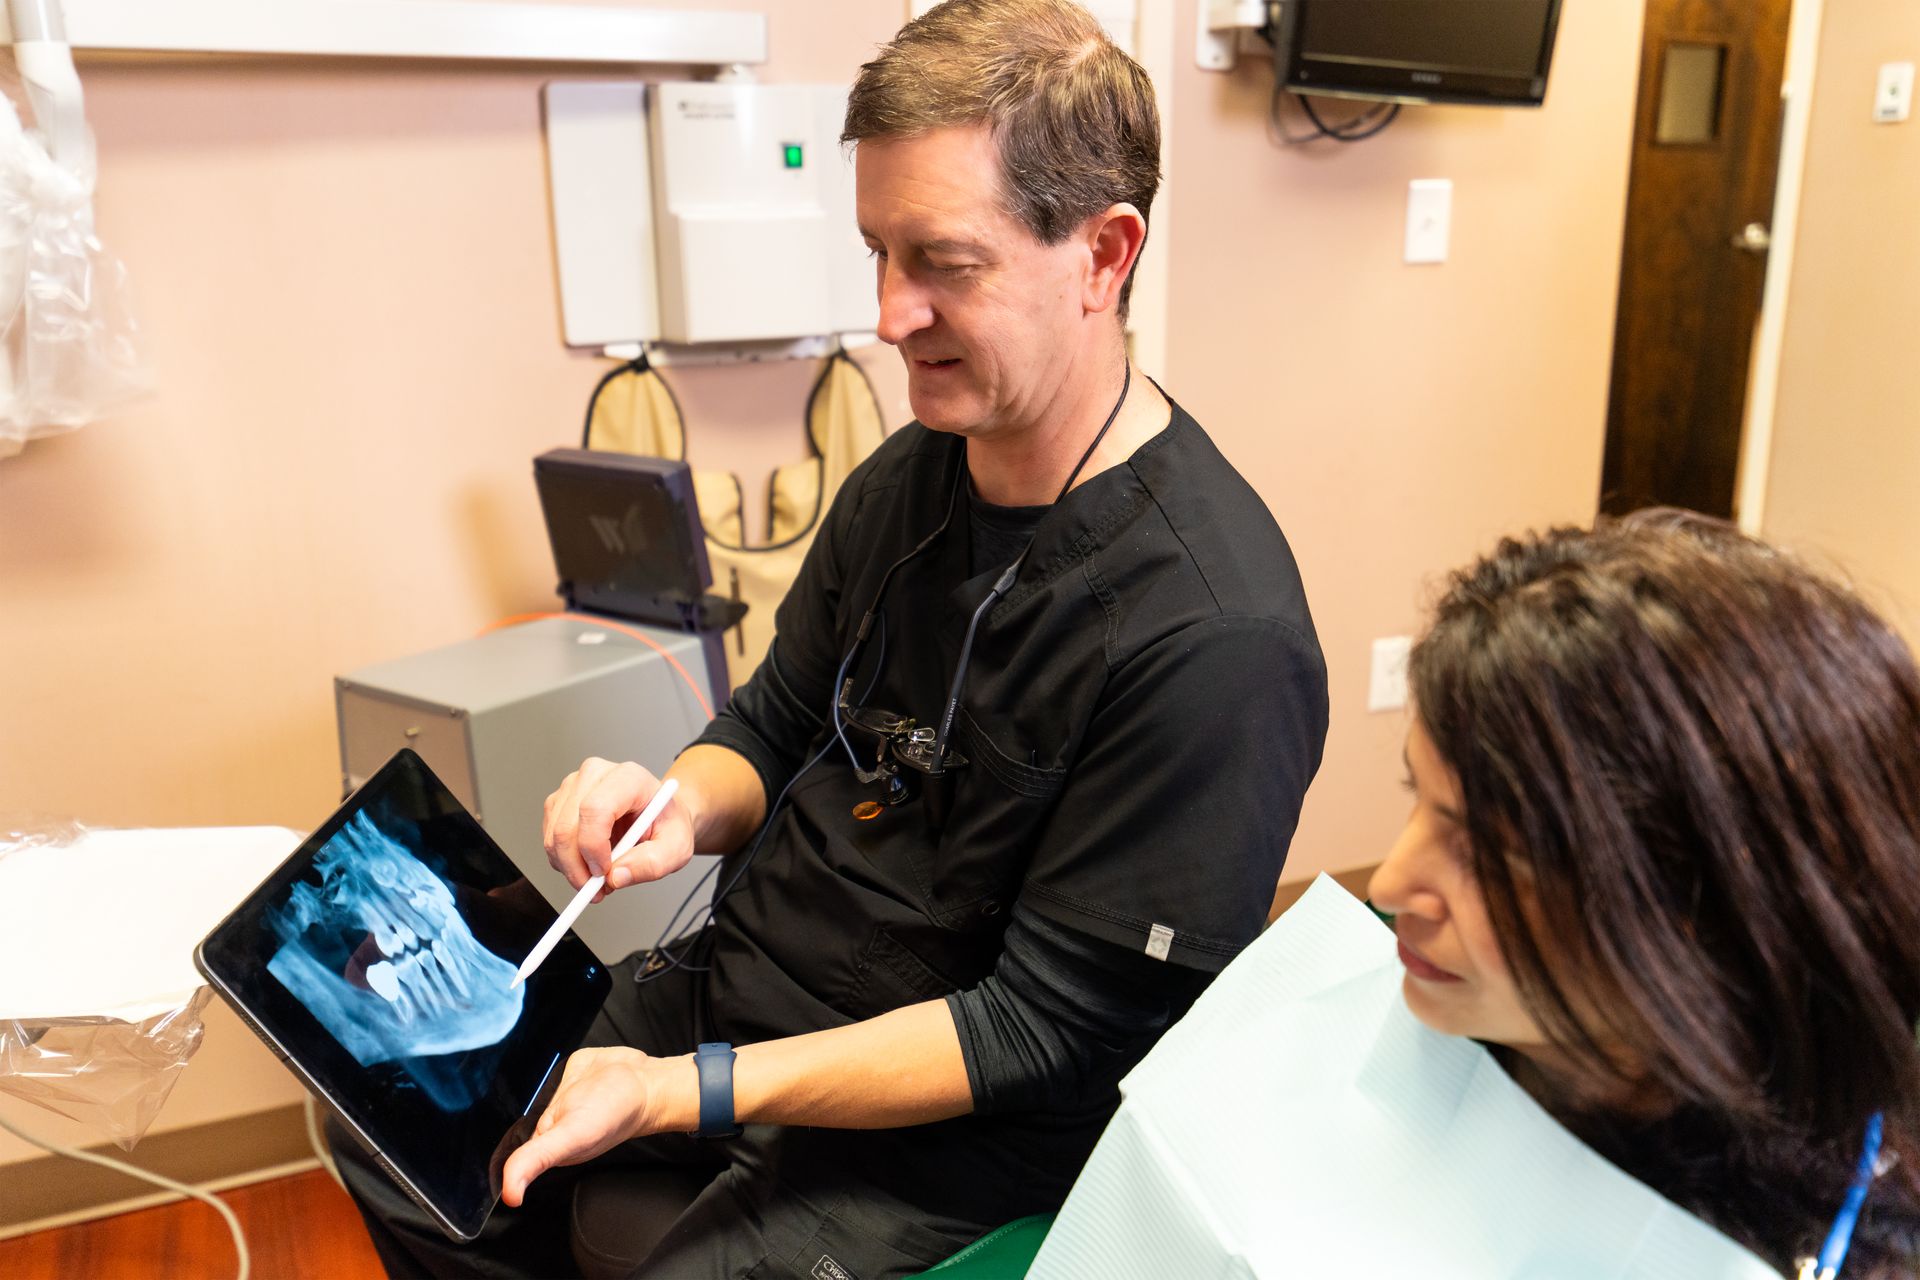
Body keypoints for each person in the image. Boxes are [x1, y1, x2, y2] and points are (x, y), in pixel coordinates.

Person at [330, 1, 1328, 1276]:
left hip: (952, 1131)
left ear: (1104, 253)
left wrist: (683, 1090)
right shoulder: (911, 479)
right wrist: (676, 807)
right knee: (388, 1090)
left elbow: (1037, 1032)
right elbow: (774, 721)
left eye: (944, 263)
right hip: (745, 989)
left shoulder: (1215, 637)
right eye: (877, 253)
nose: (889, 315)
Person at [1371, 511, 1920, 1275]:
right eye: (1416, 795)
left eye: (1489, 852)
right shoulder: (1397, 1018)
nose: (1391, 885)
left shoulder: (1830, 1239)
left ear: (1715, 913)